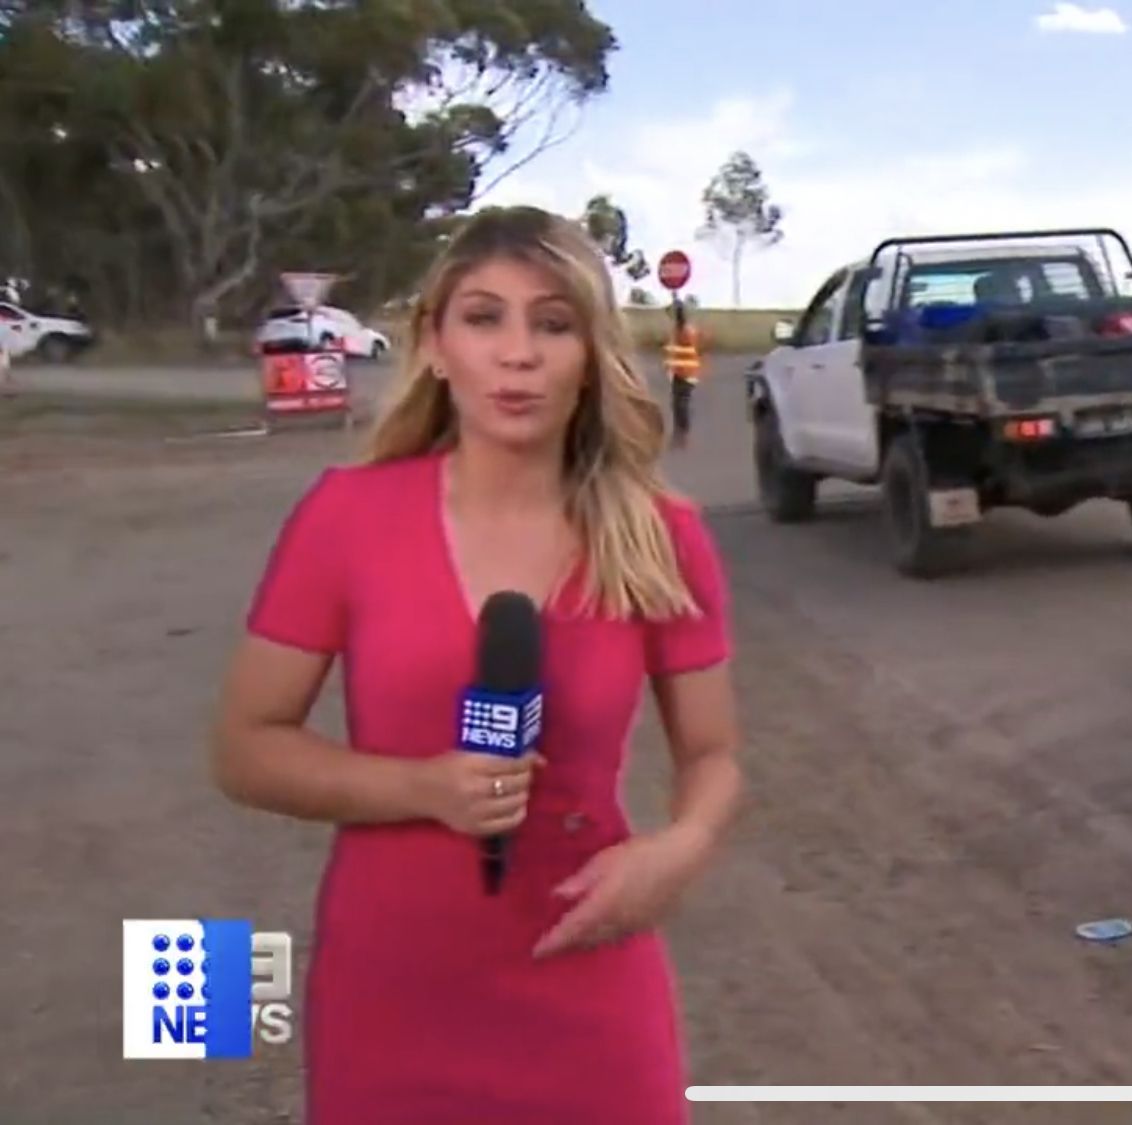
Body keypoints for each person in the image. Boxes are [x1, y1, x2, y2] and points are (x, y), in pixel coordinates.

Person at [210, 205, 743, 1124]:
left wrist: (680, 849)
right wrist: (421, 787)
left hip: (588, 979)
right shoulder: (346, 517)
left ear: (590, 353)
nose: (517, 354)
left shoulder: (662, 536)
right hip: (393, 994)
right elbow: (245, 749)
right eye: (484, 318)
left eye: (553, 323)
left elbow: (714, 753)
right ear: (435, 344)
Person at [664, 302, 702, 449]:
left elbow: (685, 346)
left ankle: (683, 435)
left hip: (687, 372)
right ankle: (678, 434)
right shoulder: (677, 330)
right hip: (677, 372)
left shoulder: (686, 331)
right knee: (676, 405)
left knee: (682, 404)